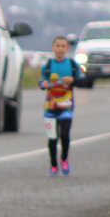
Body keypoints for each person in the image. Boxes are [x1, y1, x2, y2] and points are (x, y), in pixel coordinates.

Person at [39, 35, 83, 176]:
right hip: (50, 107)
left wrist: (73, 80)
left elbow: (83, 80)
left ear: (67, 49)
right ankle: (53, 165)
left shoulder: (72, 65)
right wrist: (43, 84)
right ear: (53, 48)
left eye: (63, 46)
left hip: (66, 106)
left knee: (64, 135)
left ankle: (64, 159)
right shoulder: (48, 66)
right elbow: (41, 82)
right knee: (52, 138)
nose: (60, 49)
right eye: (57, 46)